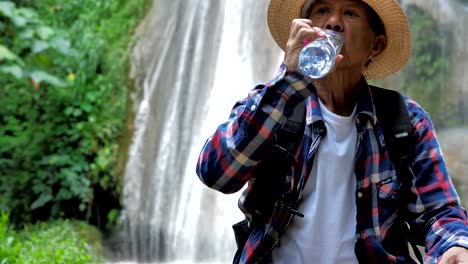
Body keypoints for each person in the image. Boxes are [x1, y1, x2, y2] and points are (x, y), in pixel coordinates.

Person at [196, 0, 468, 263]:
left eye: (350, 13)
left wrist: (454, 246)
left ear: (376, 45)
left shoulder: (405, 119)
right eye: (322, 10)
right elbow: (216, 173)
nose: (333, 22)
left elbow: (438, 210)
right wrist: (289, 80)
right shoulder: (273, 106)